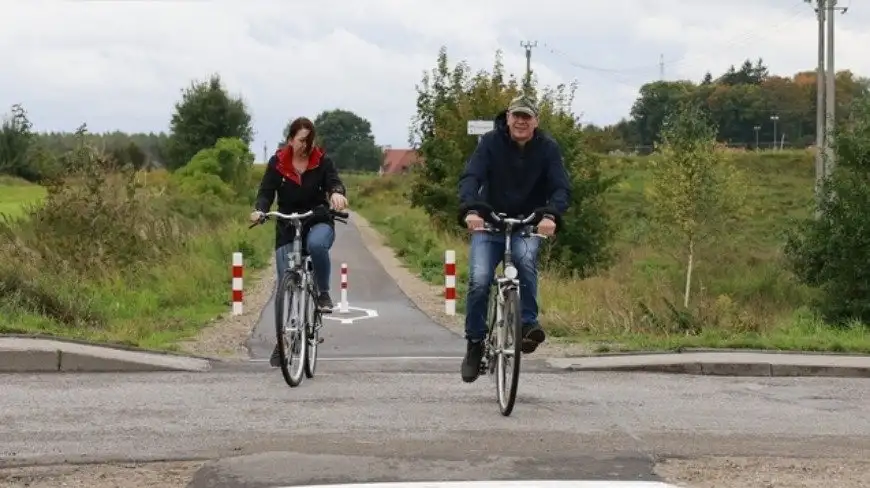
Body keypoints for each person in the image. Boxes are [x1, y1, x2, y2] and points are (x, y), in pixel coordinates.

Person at [456, 93, 571, 383]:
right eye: (516, 116)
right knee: (480, 279)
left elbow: (560, 188)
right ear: (507, 118)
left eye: (526, 117)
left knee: (525, 260)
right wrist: (471, 209)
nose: (520, 121)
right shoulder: (490, 144)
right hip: (490, 222)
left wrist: (550, 216)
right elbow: (471, 177)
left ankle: (528, 324)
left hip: (527, 222)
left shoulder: (547, 149)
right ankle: (474, 343)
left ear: (536, 121)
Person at [250, 116, 349, 367]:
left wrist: (336, 194)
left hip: (317, 220)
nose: (305, 145)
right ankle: (283, 341)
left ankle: (323, 294)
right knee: (286, 285)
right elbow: (265, 192)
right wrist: (260, 210)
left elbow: (334, 182)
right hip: (288, 223)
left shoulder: (322, 161)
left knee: (316, 246)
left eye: (309, 140)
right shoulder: (277, 163)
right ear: (290, 140)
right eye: (301, 140)